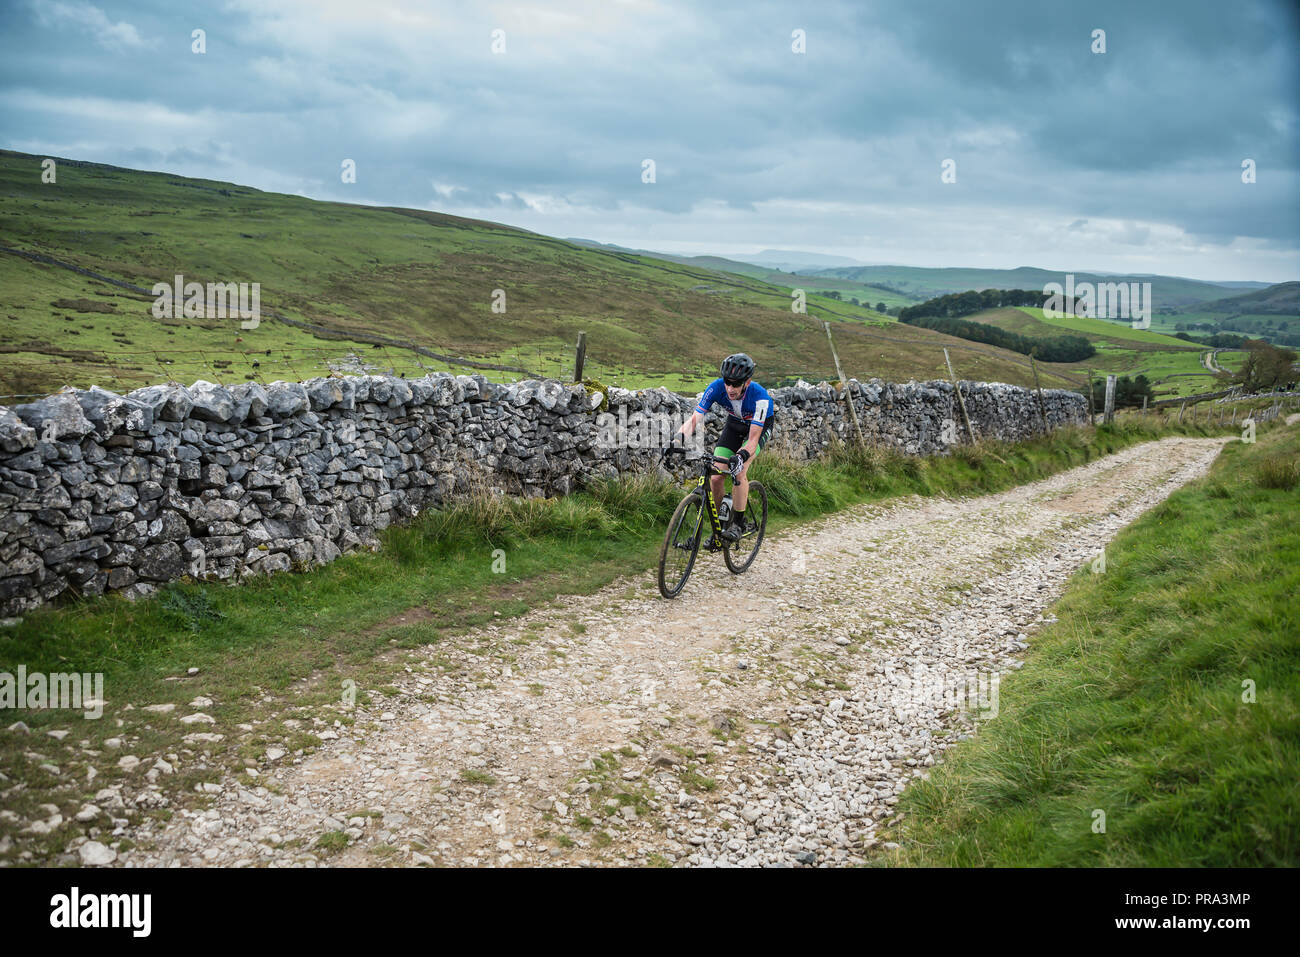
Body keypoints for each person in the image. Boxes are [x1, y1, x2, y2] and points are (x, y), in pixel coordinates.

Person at [670, 352, 775, 542]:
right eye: (727, 382)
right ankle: (718, 526)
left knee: (739, 471)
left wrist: (741, 455)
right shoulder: (716, 388)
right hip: (734, 426)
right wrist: (677, 439)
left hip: (757, 429)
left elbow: (752, 439)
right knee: (717, 477)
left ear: (747, 382)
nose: (730, 388)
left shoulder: (761, 398)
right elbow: (694, 419)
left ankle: (738, 523)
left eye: (735, 384)